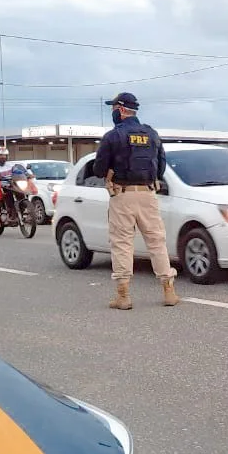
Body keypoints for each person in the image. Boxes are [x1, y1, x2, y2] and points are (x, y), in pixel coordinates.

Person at [92, 92, 178, 310]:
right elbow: (160, 167)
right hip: (149, 194)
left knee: (122, 243)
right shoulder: (152, 134)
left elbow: (99, 169)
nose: (112, 112)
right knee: (156, 242)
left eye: (113, 108)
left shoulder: (112, 136)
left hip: (122, 195)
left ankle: (123, 296)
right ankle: (169, 291)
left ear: (120, 110)